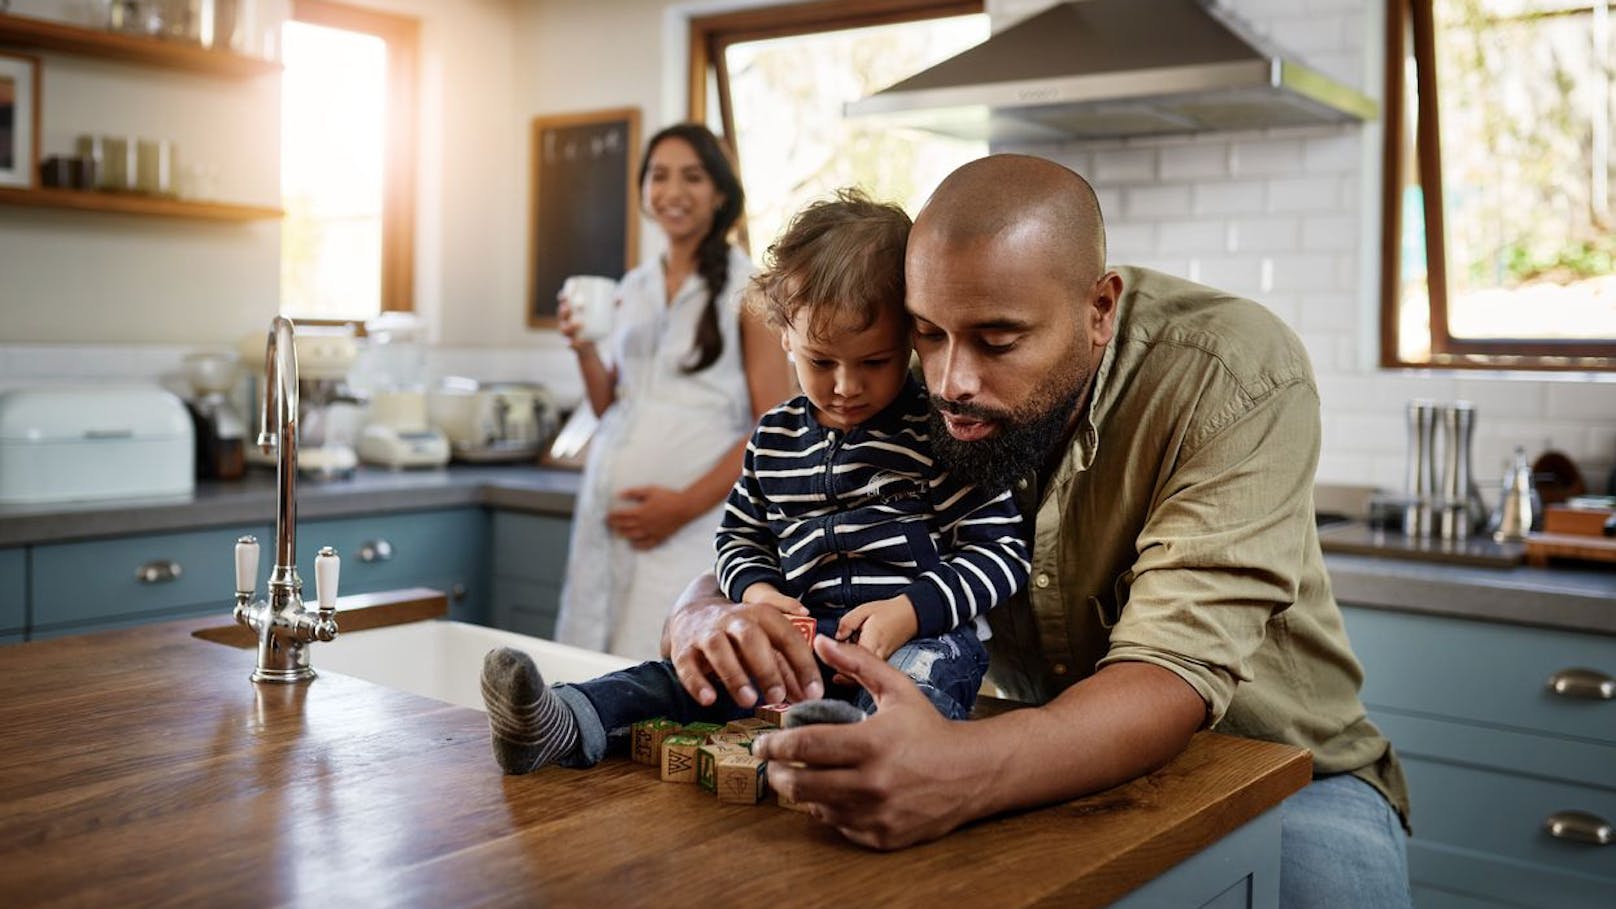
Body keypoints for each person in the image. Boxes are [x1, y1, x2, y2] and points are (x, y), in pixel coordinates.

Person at [660, 155, 1413, 908]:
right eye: (928, 333)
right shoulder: (896, 370)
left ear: (1100, 309)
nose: (951, 381)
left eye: (998, 340)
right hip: (1020, 755)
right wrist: (703, 608)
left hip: (1293, 777)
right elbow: (796, 526)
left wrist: (956, 767)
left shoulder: (1233, 371)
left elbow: (1170, 671)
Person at [480, 190, 1029, 774]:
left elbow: (1000, 552)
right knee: (691, 678)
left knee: (919, 680)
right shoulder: (773, 439)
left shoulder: (936, 434)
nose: (846, 386)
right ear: (784, 336)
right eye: (821, 362)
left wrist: (908, 611)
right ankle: (564, 720)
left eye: (875, 362)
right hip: (799, 640)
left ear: (912, 341)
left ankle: (852, 751)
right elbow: (738, 541)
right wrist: (758, 595)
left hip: (919, 640)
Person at [553, 123, 791, 660]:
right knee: (584, 667)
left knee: (660, 668)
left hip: (691, 531)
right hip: (606, 526)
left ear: (721, 193)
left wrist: (683, 505)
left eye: (692, 177)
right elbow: (607, 406)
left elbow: (771, 430)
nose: (673, 192)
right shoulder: (631, 289)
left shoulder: (749, 292)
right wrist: (583, 348)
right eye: (659, 176)